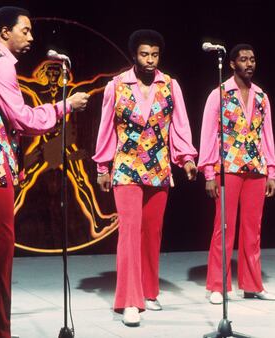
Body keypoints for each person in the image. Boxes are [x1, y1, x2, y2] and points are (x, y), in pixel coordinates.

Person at [0, 6, 89, 337]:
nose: (31, 37)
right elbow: (22, 119)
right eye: (24, 31)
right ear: (4, 33)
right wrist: (64, 106)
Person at [93, 29, 198, 326]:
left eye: (154, 55)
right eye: (144, 55)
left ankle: (149, 292)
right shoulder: (116, 86)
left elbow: (180, 126)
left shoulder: (170, 85)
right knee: (129, 233)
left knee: (152, 233)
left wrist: (187, 159)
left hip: (159, 167)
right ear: (133, 56)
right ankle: (129, 300)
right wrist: (102, 167)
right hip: (126, 168)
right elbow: (106, 128)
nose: (150, 60)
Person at [198, 43, 275, 305]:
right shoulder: (219, 94)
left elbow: (267, 137)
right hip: (228, 167)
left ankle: (253, 284)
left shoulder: (262, 97)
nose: (249, 63)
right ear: (232, 64)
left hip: (255, 167)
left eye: (253, 59)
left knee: (252, 229)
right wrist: (209, 172)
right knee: (224, 227)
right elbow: (209, 134)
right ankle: (217, 285)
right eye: (244, 59)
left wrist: (272, 171)